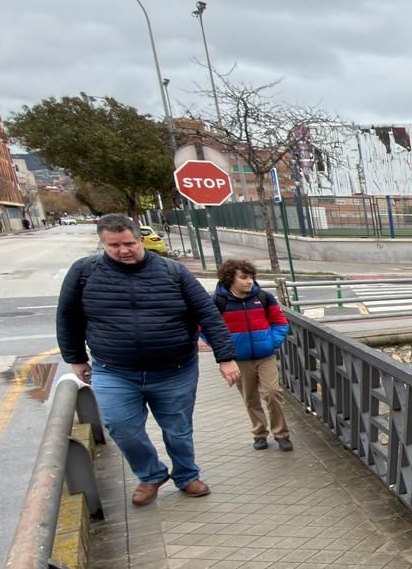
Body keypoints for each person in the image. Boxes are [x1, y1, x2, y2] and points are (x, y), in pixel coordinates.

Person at [56, 213, 240, 506]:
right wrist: (76, 358)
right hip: (114, 370)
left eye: (128, 243)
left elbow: (207, 314)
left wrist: (225, 357)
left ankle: (186, 475)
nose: (123, 250)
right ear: (103, 243)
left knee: (178, 429)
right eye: (114, 245)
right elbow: (68, 318)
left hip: (174, 370)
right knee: (121, 427)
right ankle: (151, 474)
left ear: (139, 239)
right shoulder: (84, 273)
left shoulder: (172, 271)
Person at [214, 258, 293, 451]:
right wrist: (225, 350)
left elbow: (281, 322)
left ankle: (281, 433)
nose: (249, 281)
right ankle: (259, 433)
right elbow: (205, 328)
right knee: (250, 398)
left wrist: (271, 343)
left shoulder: (264, 297)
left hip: (265, 356)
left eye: (251, 277)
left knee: (272, 392)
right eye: (243, 277)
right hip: (238, 359)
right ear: (230, 278)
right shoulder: (218, 301)